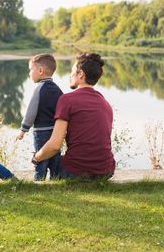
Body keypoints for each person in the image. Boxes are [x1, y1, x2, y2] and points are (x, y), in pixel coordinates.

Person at [31, 53, 115, 181]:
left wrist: (36, 158)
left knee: (52, 161)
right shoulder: (105, 104)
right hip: (106, 170)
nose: (70, 75)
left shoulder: (67, 100)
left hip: (76, 172)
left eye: (72, 71)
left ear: (80, 74)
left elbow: (54, 145)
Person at [16, 53, 63, 180]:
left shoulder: (39, 89)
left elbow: (31, 112)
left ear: (40, 71)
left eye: (31, 70)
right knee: (54, 158)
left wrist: (23, 130)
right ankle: (56, 180)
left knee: (41, 158)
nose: (29, 73)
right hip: (55, 133)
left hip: (41, 132)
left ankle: (38, 181)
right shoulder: (58, 90)